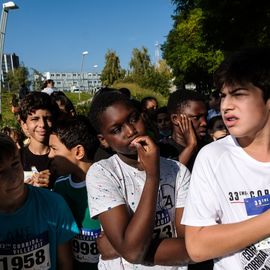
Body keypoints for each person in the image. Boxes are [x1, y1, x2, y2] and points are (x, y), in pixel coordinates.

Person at [181, 48, 270, 269]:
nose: (225, 106)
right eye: (222, 96)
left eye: (238, 94)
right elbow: (197, 246)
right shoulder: (213, 157)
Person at [87, 90, 190, 270]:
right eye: (117, 130)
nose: (130, 131)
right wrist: (152, 177)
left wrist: (121, 248)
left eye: (133, 118)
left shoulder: (177, 170)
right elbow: (133, 253)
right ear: (103, 140)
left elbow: (190, 246)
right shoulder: (102, 173)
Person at [0, 133, 79, 270]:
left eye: (15, 164)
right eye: (0, 172)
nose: (13, 177)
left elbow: (65, 264)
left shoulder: (54, 204)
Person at [49, 115, 101, 270]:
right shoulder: (60, 186)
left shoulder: (108, 184)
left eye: (54, 149)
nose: (50, 155)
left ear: (78, 151)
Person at [159, 90, 208, 171]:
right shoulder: (162, 150)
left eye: (205, 116)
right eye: (197, 117)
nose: (204, 123)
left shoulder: (207, 148)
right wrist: (191, 147)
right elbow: (170, 177)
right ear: (175, 119)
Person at [19, 91, 59, 188]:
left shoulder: (62, 158)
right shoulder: (16, 158)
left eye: (47, 118)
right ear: (24, 125)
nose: (42, 124)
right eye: (35, 119)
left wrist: (54, 184)